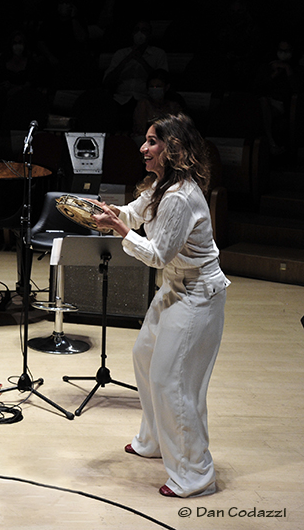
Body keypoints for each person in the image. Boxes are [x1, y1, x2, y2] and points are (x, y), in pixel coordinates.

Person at [91, 113, 230, 498]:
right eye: (146, 140)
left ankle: (195, 475)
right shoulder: (159, 187)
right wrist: (106, 214)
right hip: (175, 288)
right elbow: (133, 213)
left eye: (152, 141)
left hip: (198, 294)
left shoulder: (181, 197)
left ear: (173, 149)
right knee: (143, 356)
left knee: (175, 382)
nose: (143, 148)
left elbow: (158, 255)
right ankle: (154, 441)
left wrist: (120, 231)